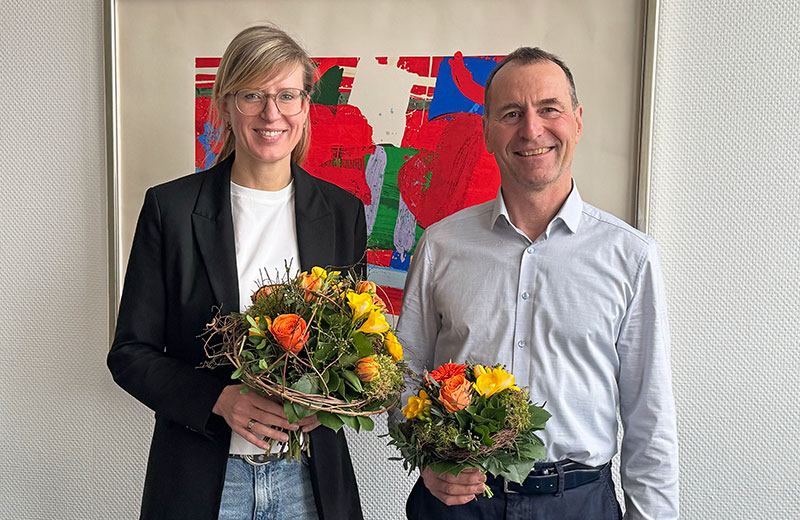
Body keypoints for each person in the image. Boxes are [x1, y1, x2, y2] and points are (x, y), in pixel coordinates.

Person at [397, 47, 679, 519]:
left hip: (579, 502)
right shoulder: (440, 246)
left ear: (578, 121)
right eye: (511, 113)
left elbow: (649, 417)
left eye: (549, 109)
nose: (532, 129)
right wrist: (427, 460)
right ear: (487, 130)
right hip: (461, 501)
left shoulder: (629, 256)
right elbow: (405, 373)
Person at [108, 25, 365, 520]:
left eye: (287, 95)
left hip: (310, 482)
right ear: (225, 105)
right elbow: (129, 353)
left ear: (307, 105)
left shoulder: (342, 213)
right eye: (253, 95)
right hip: (202, 479)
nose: (272, 114)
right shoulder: (172, 208)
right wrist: (219, 400)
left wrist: (328, 400)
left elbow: (354, 347)